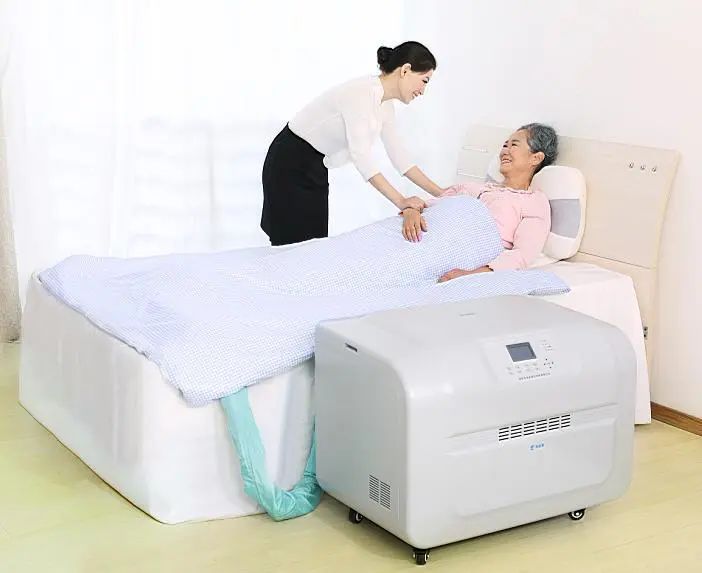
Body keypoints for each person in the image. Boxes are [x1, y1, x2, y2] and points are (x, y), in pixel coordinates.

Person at [260, 41, 445, 246]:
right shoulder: (361, 92)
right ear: (406, 70)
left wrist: (442, 194)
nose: (423, 90)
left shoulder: (385, 105)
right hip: (289, 161)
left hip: (315, 166)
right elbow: (361, 157)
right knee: (291, 245)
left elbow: (399, 157)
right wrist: (401, 201)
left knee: (314, 245)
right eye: (424, 80)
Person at [399, 123, 558, 281]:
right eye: (504, 145)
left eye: (514, 145)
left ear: (536, 158)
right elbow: (430, 205)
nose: (504, 151)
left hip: (450, 256)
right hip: (415, 238)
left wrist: (470, 275)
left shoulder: (533, 202)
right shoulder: (470, 187)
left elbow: (522, 255)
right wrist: (411, 211)